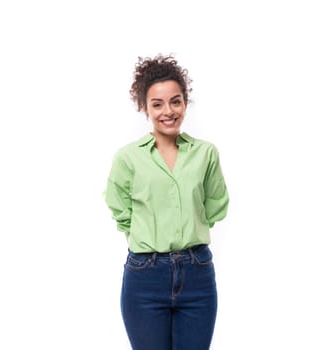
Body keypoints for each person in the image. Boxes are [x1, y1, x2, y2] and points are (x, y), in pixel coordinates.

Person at [104, 54, 229, 350]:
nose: (168, 111)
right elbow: (120, 209)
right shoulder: (128, 157)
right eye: (157, 104)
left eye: (175, 101)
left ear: (185, 102)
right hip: (144, 277)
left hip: (197, 274)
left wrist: (187, 224)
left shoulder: (206, 154)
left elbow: (216, 205)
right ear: (144, 107)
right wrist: (150, 233)